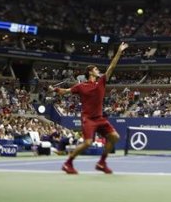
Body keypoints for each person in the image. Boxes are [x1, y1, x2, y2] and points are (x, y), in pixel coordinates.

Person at [49, 42, 128, 174]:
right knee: (87, 143)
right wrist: (54, 89)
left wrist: (119, 51)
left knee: (114, 137)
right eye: (96, 69)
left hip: (99, 118)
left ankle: (102, 163)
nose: (99, 71)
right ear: (90, 72)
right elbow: (65, 91)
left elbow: (112, 66)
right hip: (88, 119)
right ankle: (68, 163)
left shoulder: (101, 81)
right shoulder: (81, 86)